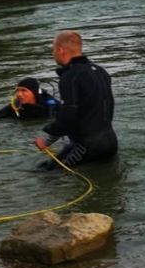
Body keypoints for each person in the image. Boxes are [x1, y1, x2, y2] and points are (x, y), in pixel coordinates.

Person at [34, 30, 117, 167]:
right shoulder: (101, 71)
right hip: (111, 142)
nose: (53, 53)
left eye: (53, 49)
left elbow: (67, 116)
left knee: (44, 173)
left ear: (60, 50)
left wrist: (46, 140)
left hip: (86, 147)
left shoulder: (70, 76)